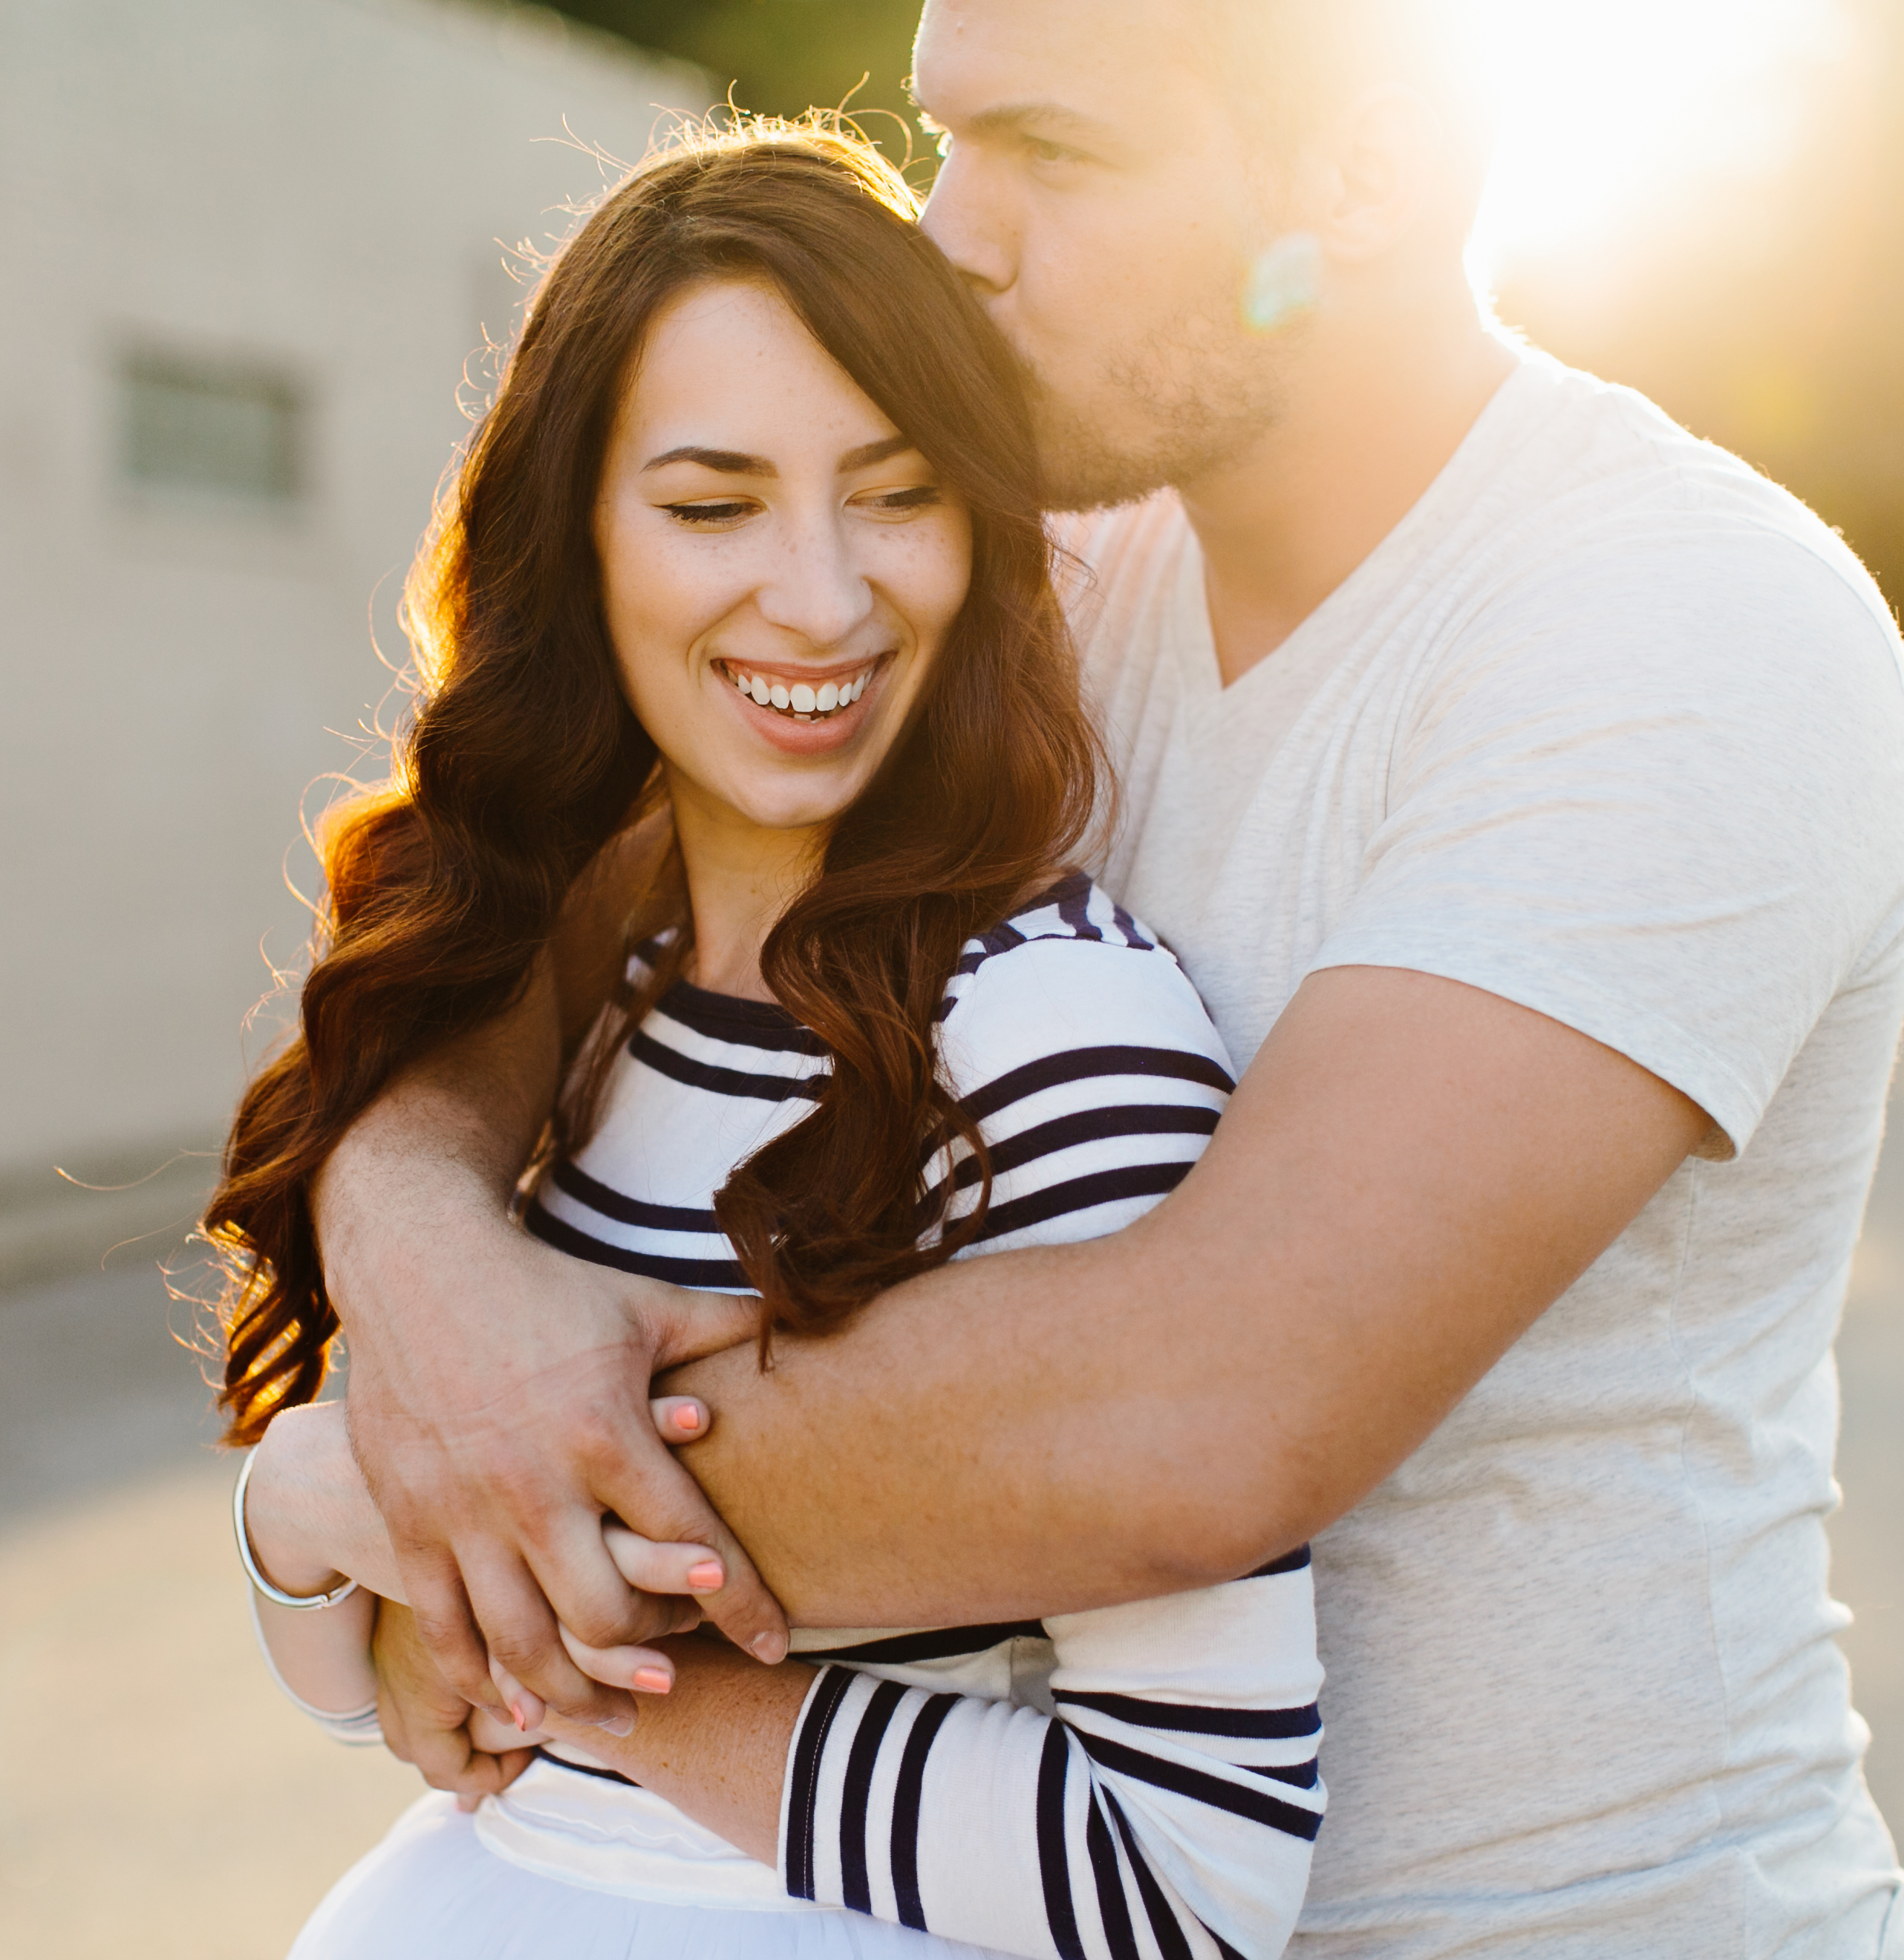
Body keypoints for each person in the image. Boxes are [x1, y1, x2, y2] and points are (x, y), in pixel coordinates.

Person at [249, 0, 1904, 1953]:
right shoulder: (1044, 566)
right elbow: (543, 940)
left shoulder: (1675, 624)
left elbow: (1199, 1418)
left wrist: (424, 1498)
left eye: (1057, 153)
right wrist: (429, 1255)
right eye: (953, 138)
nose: (959, 230)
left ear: (1367, 177)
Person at [210, 127, 1326, 1958]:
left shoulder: (1053, 1025)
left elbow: (1191, 1877)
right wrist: (302, 1496)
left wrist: (574, 1665)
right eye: (714, 505)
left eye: (893, 494)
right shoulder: (592, 1000)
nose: (820, 598)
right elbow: (374, 1706)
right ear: (574, 541)